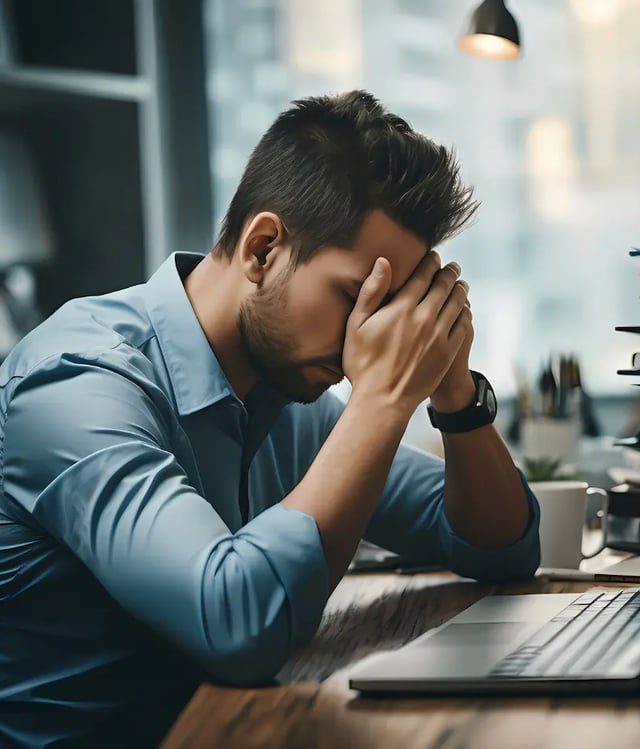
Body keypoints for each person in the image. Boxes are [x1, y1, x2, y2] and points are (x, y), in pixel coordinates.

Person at [0, 90, 540, 747]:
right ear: (263, 250)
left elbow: (499, 543)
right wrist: (383, 398)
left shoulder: (282, 396)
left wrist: (453, 389)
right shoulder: (78, 382)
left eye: (392, 307)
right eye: (354, 297)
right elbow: (237, 626)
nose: (364, 340)